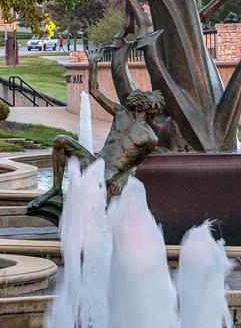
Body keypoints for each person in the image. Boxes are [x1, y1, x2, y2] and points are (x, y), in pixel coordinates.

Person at [26, 49, 163, 226]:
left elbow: (134, 165)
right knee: (60, 140)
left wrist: (121, 180)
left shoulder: (150, 138)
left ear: (144, 106)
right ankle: (56, 189)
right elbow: (94, 91)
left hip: (110, 175)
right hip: (94, 164)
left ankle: (86, 226)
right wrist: (93, 64)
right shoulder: (120, 113)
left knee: (95, 207)